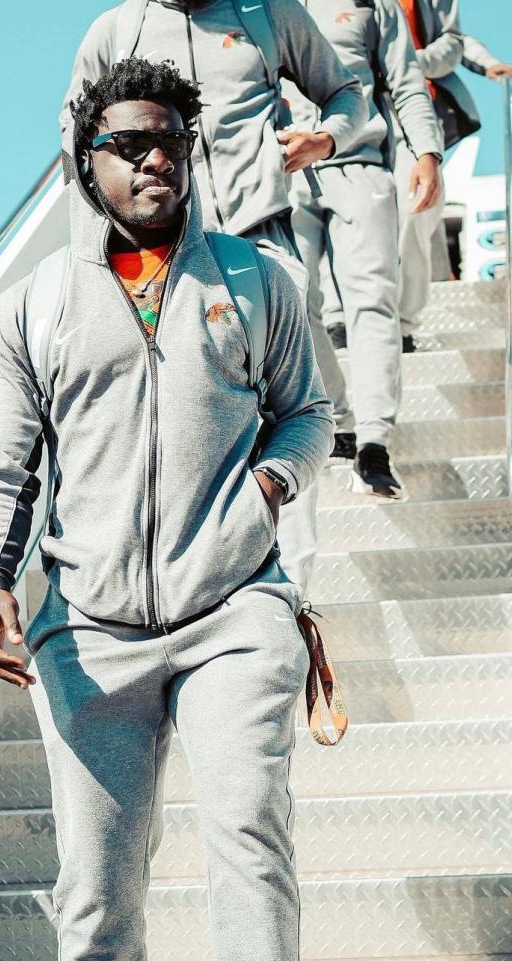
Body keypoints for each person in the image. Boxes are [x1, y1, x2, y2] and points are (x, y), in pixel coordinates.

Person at [0, 57, 334, 961]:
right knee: (95, 883)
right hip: (91, 631)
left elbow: (308, 408)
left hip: (235, 610)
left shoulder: (256, 280)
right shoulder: (34, 308)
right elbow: (0, 463)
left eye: (171, 135)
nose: (155, 155)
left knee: (246, 836)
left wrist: (270, 487)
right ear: (87, 162)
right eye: (130, 140)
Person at [62, 0, 366, 595]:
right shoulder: (116, 29)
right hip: (162, 255)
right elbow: (76, 148)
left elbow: (346, 93)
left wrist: (325, 139)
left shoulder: (269, 13)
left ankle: (292, 594)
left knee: (286, 417)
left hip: (261, 235)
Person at [287, 0, 443, 500]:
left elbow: (407, 83)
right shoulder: (262, 7)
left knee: (372, 300)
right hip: (284, 175)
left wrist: (427, 152)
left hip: (359, 166)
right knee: (292, 299)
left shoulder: (375, 7)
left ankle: (374, 442)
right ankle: (340, 418)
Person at [395, 1, 512, 343]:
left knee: (418, 205)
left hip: (416, 109)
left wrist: (489, 64)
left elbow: (453, 40)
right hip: (358, 112)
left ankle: (404, 324)